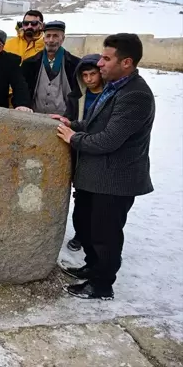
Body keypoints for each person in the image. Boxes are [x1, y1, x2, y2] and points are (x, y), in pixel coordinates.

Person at [52, 33, 155, 300]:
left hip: (115, 180)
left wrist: (73, 138)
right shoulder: (115, 87)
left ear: (127, 63)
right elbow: (95, 124)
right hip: (96, 176)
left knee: (105, 234)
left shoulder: (136, 95)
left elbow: (109, 139)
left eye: (107, 59)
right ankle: (92, 267)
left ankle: (102, 284)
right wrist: (70, 123)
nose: (99, 64)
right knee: (87, 226)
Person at [62, 54, 104, 252]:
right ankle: (81, 235)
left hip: (101, 149)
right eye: (85, 75)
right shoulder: (77, 96)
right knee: (81, 198)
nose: (89, 79)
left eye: (93, 74)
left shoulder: (110, 96)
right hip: (80, 149)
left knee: (100, 203)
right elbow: (72, 119)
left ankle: (99, 242)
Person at [22, 21, 81, 114]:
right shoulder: (29, 63)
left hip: (63, 120)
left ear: (63, 39)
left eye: (55, 36)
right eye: (48, 36)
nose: (51, 40)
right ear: (43, 38)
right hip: (34, 117)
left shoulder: (75, 64)